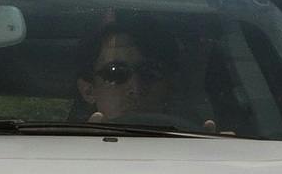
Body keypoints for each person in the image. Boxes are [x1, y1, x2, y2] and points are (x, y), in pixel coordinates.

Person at [71, 16, 224, 133]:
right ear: (88, 90)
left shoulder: (208, 148)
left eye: (150, 73)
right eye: (116, 73)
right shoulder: (56, 154)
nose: (136, 88)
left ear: (170, 84)